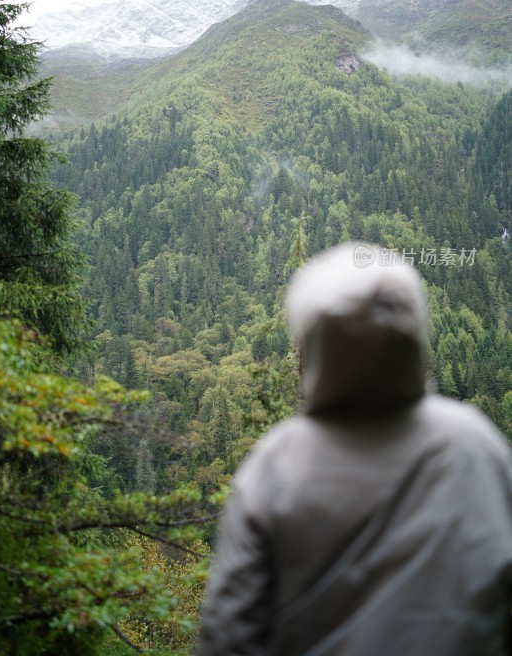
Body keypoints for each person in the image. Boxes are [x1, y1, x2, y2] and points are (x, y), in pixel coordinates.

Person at [196, 242, 512, 656]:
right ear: (414, 329)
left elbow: (228, 637)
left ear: (313, 340)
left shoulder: (277, 463)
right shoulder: (476, 445)